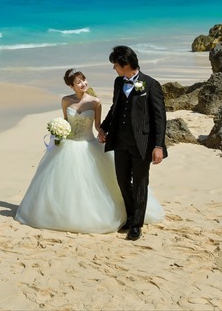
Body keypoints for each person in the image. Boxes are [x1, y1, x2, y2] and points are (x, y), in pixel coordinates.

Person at [16, 68, 164, 234]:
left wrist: (103, 133)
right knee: (63, 184)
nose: (83, 83)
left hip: (88, 145)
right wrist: (58, 132)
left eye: (83, 79)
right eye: (78, 82)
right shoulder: (66, 101)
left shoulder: (95, 102)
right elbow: (66, 122)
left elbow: (98, 126)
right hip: (68, 146)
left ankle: (130, 214)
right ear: (72, 86)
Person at [98, 45, 168, 241]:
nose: (114, 69)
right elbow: (115, 107)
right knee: (122, 181)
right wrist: (104, 127)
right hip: (120, 140)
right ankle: (131, 216)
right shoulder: (118, 83)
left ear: (126, 64)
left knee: (139, 184)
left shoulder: (151, 85)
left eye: (116, 65)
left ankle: (136, 225)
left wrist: (158, 146)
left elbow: (160, 118)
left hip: (142, 144)